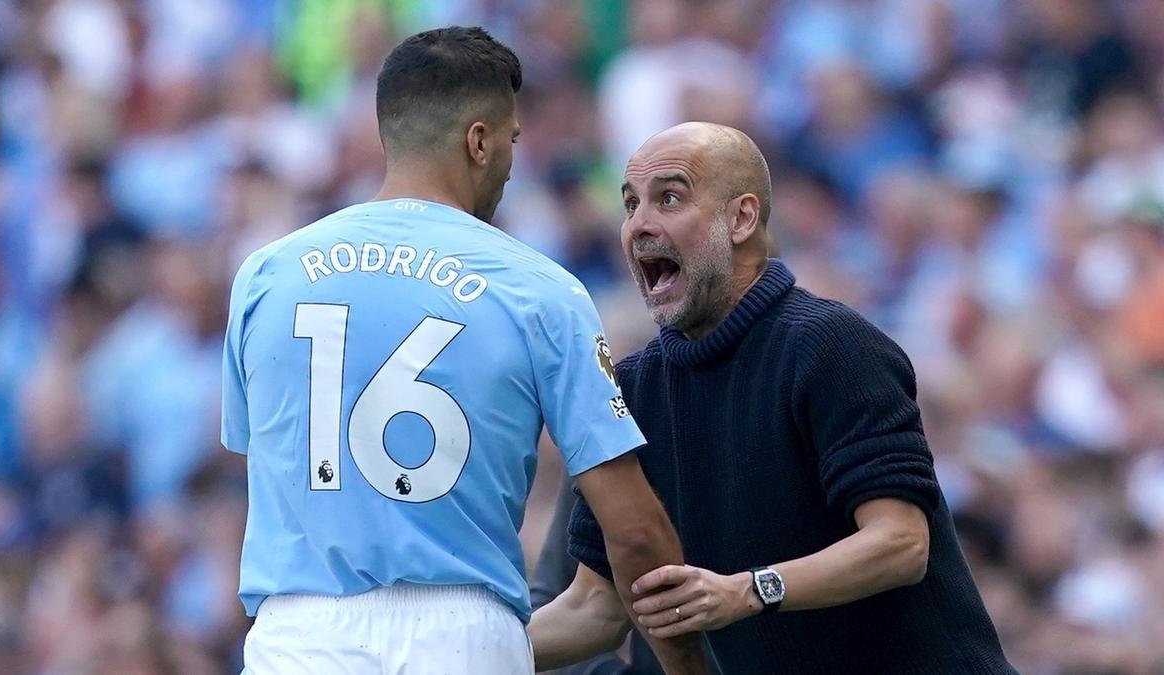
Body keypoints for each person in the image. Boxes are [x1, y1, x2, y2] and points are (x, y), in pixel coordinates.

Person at [221, 27, 705, 675]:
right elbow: (637, 533)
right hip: (462, 635)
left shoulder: (265, 275)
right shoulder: (540, 289)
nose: (510, 161)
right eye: (509, 141)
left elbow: (260, 469)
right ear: (478, 141)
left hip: (298, 636)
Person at [528, 122, 1017, 674]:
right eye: (629, 204)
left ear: (741, 218)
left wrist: (748, 591)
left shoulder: (832, 345)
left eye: (669, 198)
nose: (639, 224)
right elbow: (594, 607)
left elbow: (901, 545)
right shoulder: (634, 388)